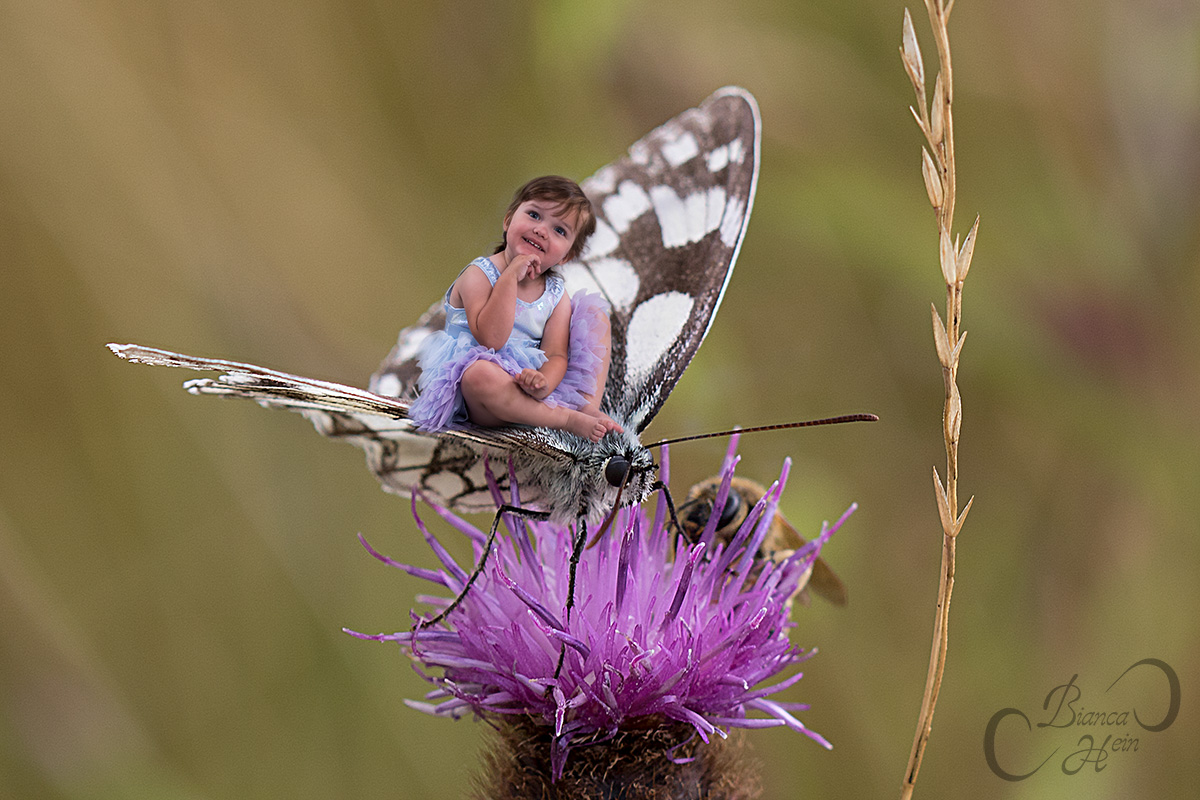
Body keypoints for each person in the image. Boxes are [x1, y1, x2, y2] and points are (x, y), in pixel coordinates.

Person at [408, 176, 623, 443]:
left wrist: (543, 383)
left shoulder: (556, 295)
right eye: (534, 215)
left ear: (567, 256)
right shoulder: (479, 275)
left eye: (560, 231)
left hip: (530, 386)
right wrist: (510, 276)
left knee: (596, 317)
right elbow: (492, 339)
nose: (541, 230)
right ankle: (565, 419)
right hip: (483, 395)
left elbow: (556, 354)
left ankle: (585, 406)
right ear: (508, 220)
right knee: (478, 374)